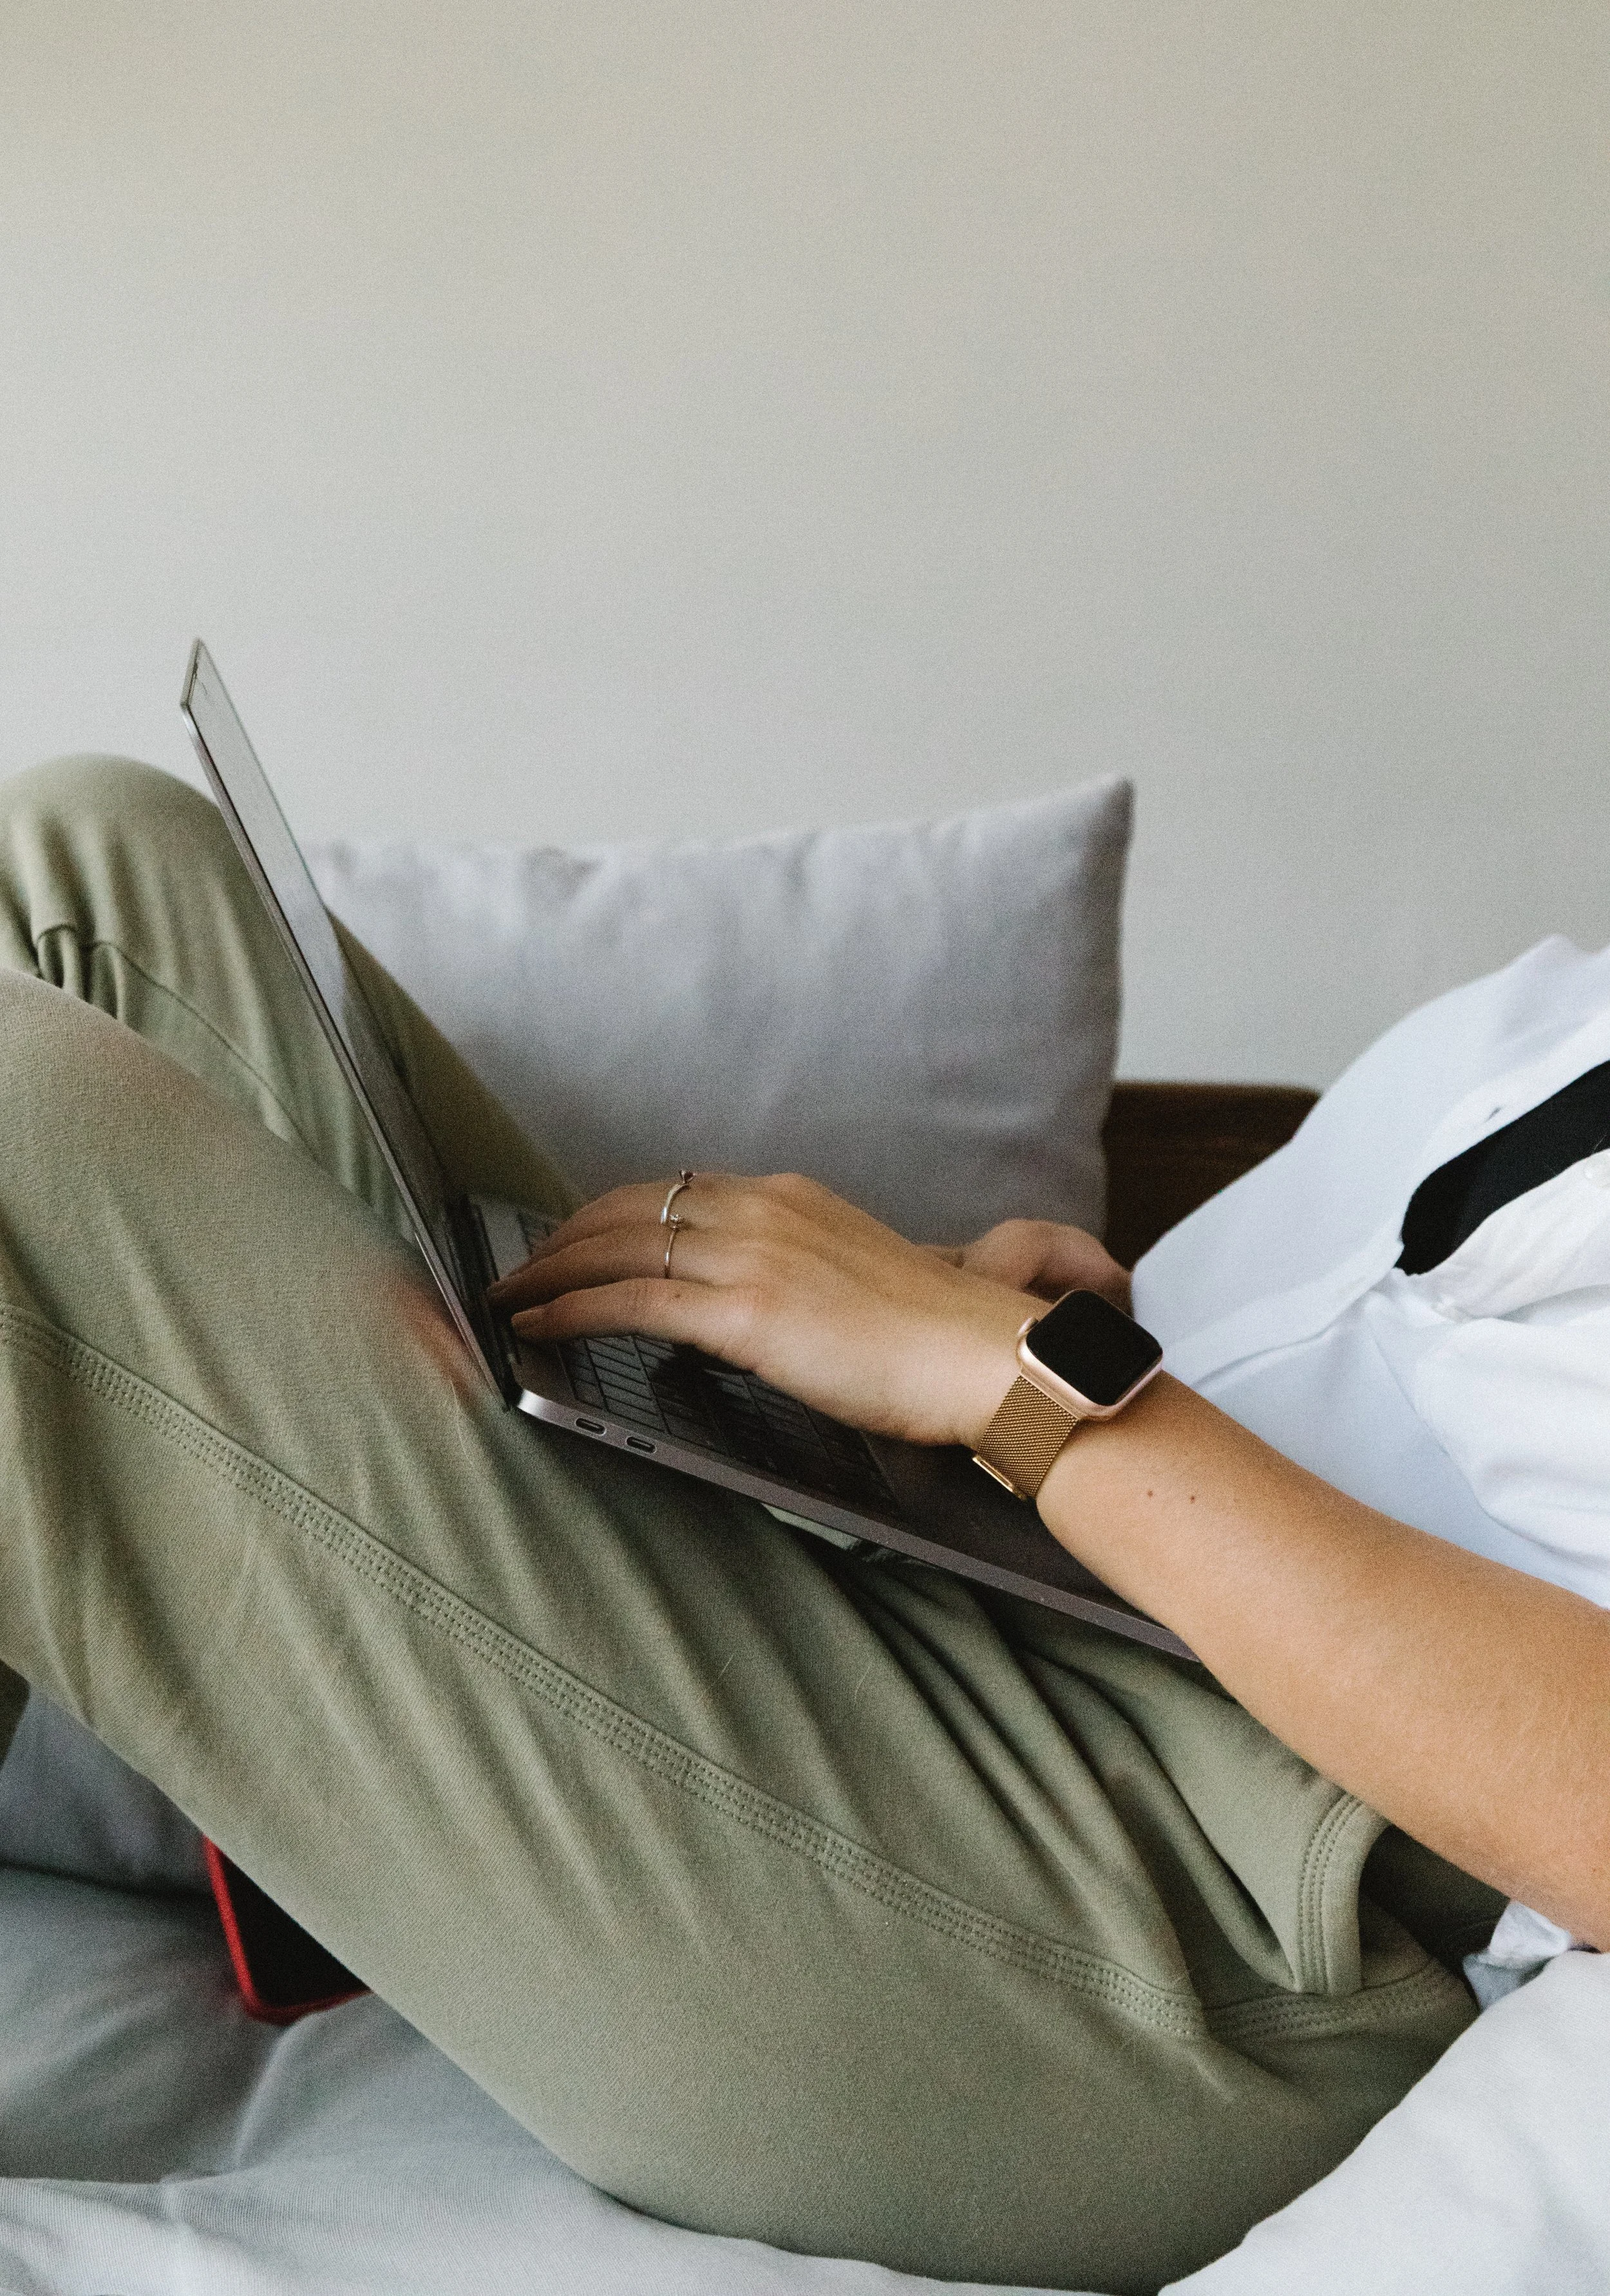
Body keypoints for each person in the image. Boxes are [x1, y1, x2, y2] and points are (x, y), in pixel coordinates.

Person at [0, 752, 1602, 2293]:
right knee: (95, 858)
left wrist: (1035, 1390)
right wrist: (1065, 1346)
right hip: (1051, 1592)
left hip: (1229, 1929)